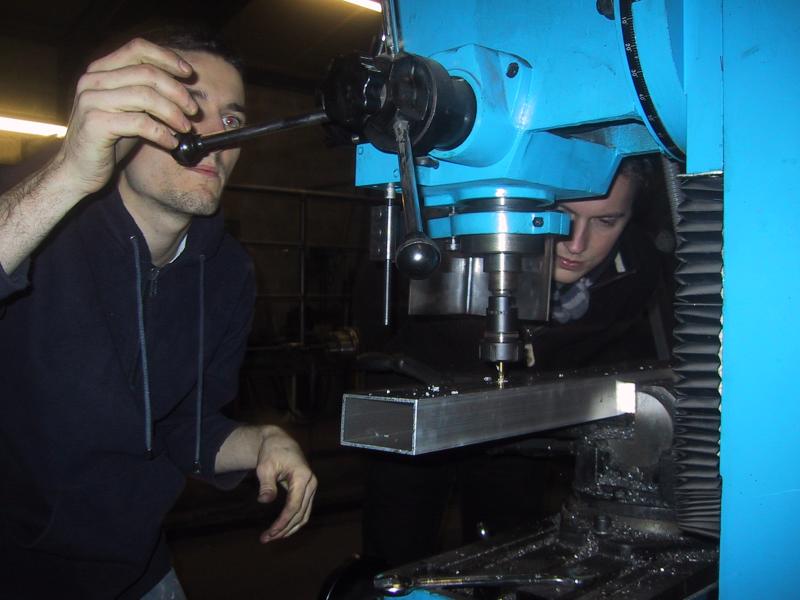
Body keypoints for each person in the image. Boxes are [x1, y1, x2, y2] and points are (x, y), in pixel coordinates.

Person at [0, 29, 317, 599]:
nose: (216, 138)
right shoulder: (29, 217)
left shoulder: (228, 272)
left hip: (137, 567)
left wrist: (264, 439)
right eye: (185, 111)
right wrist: (68, 174)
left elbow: (182, 427)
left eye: (230, 120)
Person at [360, 156, 673, 566]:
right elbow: (377, 324)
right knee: (396, 551)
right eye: (561, 214)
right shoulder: (441, 247)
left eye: (606, 222)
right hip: (422, 399)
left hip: (521, 428)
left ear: (630, 218)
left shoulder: (637, 273)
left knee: (507, 550)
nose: (576, 244)